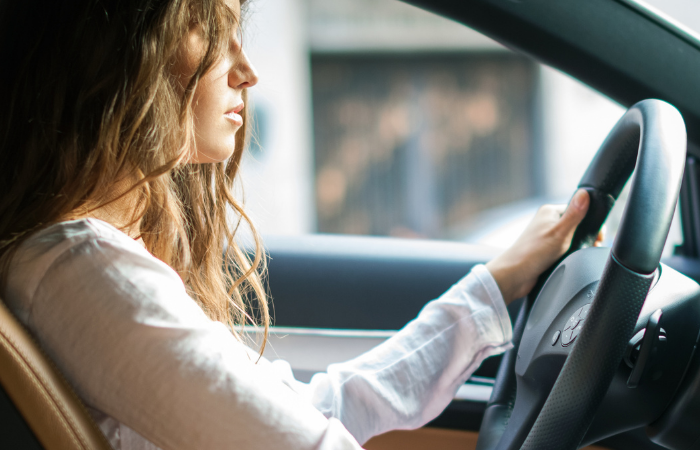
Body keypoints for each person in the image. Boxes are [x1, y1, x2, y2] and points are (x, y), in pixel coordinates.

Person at [0, 0, 598, 448]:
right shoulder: (81, 268)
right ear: (124, 56)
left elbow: (320, 410)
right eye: (213, 33)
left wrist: (498, 280)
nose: (246, 71)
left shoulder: (81, 262)